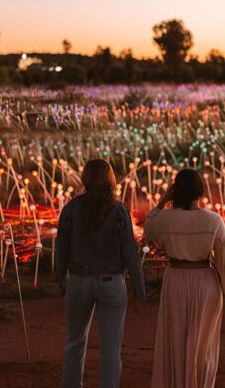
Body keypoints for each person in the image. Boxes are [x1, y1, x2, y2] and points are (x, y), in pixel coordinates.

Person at [144, 168, 225, 388]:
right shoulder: (213, 221)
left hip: (175, 281)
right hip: (205, 284)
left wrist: (163, 200)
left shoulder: (166, 219)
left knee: (176, 341)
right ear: (200, 191)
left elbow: (148, 227)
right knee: (204, 347)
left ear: (176, 192)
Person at [55, 159, 146, 388]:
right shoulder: (118, 210)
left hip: (78, 280)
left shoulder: (71, 208)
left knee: (74, 341)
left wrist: (60, 278)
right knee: (110, 348)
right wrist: (139, 286)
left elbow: (62, 247)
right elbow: (129, 251)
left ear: (85, 179)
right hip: (111, 281)